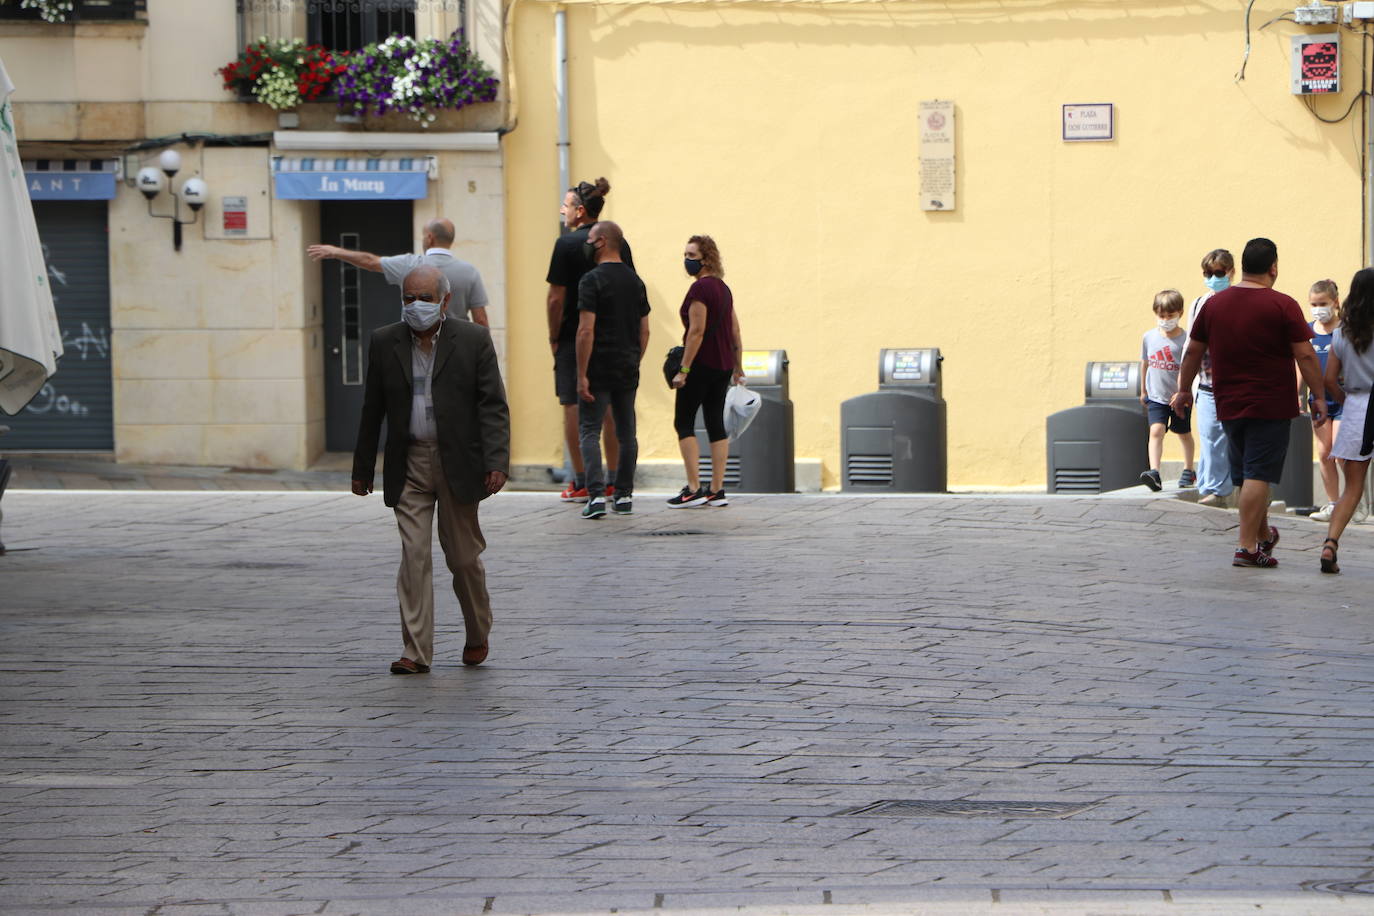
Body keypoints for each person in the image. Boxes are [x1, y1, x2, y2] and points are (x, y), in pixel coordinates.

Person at [351, 265, 510, 674]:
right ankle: (415, 651)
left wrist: (496, 461)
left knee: (462, 558)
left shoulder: (472, 339)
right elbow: (374, 409)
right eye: (408, 298)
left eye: (424, 298)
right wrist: (363, 467)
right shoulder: (385, 341)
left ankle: (477, 632)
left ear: (445, 300)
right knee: (414, 556)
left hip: (459, 461)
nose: (416, 306)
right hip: (410, 463)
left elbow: (492, 403)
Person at [1173, 238, 1326, 569]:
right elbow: (1305, 354)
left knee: (1245, 475)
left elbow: (1193, 351)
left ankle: (1263, 535)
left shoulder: (1214, 305)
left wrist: (1183, 389)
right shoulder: (1283, 305)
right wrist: (1319, 396)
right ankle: (1246, 546)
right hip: (1270, 403)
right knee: (1258, 473)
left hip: (1227, 401)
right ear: (1273, 268)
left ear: (1240, 267)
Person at [546, 178, 635, 503]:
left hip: (574, 336)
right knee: (611, 407)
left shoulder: (566, 244)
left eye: (566, 205)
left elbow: (556, 298)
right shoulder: (617, 242)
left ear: (580, 211)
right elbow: (629, 287)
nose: (562, 210)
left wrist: (554, 336)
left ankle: (583, 480)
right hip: (615, 338)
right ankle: (613, 480)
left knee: (574, 404)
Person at [574, 221, 650, 519]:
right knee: (626, 432)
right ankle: (623, 495)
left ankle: (595, 497)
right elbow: (645, 331)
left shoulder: (590, 281)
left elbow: (585, 331)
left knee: (589, 431)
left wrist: (581, 374)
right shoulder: (636, 281)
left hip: (597, 366)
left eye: (591, 239)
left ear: (602, 241)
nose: (587, 243)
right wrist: (635, 359)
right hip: (627, 366)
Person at [668, 235, 744, 508]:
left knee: (684, 422)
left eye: (691, 256)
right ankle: (716, 489)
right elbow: (735, 330)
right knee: (715, 422)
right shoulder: (723, 289)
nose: (686, 260)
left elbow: (696, 332)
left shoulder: (699, 291)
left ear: (705, 259)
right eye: (686, 255)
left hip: (700, 364)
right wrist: (738, 366)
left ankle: (693, 488)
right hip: (723, 365)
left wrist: (684, 369)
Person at [307, 218, 491, 327]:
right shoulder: (470, 272)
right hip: (456, 348)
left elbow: (370, 262)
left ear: (429, 238)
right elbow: (481, 320)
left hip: (417, 347)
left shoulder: (409, 265)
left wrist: (336, 251)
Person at [1318, 267, 1374, 573]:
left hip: (1356, 407)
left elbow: (1329, 380)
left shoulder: (1340, 334)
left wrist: (1346, 401)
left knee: (1352, 488)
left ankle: (1330, 544)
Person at [1188, 249, 1236, 507]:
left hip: (1232, 382)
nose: (1213, 278)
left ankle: (1218, 491)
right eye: (1208, 273)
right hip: (1205, 382)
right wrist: (1183, 384)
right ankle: (1209, 487)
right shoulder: (1199, 303)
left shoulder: (1238, 301)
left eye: (1218, 273)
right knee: (1208, 435)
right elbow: (1190, 345)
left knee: (1222, 438)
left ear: (1231, 272)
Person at [1139, 289, 1196, 491]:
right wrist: (1143, 390)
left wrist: (1183, 391)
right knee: (1156, 430)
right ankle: (1154, 471)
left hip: (1179, 397)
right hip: (1156, 395)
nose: (1165, 320)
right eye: (1161, 316)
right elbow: (1145, 364)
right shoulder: (1149, 337)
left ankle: (1189, 469)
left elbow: (1189, 366)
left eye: (1170, 316)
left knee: (1183, 433)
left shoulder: (1186, 340)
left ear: (1179, 313)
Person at [1304, 279, 1344, 522]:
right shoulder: (1307, 332)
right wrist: (1297, 394)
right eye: (1314, 304)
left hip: (1343, 398)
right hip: (1318, 399)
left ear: (1335, 303)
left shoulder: (1345, 329)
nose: (1319, 308)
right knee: (1324, 452)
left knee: (1340, 453)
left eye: (1323, 303)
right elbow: (1301, 364)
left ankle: (1352, 501)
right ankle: (1333, 504)